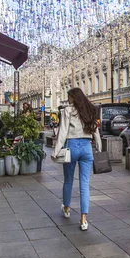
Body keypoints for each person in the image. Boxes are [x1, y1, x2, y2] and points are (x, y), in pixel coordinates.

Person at [51, 88, 101, 231]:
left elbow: (63, 132)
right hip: (86, 148)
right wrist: (99, 147)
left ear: (73, 97)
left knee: (68, 180)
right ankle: (84, 219)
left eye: (69, 97)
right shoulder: (90, 110)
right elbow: (95, 130)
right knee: (84, 184)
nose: (68, 100)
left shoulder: (67, 111)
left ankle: (66, 209)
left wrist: (56, 151)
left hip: (71, 147)